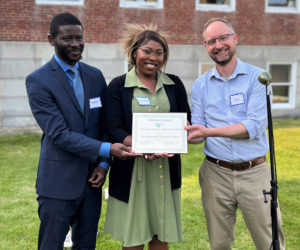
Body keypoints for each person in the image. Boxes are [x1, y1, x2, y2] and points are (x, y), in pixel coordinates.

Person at [25, 12, 134, 250]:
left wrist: (103, 164)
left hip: (91, 183)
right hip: (57, 185)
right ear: (52, 40)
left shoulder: (94, 76)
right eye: (67, 39)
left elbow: (104, 125)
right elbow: (59, 134)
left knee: (86, 246)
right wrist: (108, 149)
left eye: (79, 38)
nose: (75, 44)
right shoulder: (38, 81)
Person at [185, 18, 285, 250]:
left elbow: (252, 128)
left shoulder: (258, 78)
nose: (218, 45)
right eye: (211, 41)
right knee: (219, 244)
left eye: (223, 38)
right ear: (205, 47)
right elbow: (199, 131)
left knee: (270, 242)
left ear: (235, 38)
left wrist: (208, 131)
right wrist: (183, 134)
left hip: (255, 173)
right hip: (215, 173)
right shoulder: (201, 85)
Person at [103, 24, 191, 250]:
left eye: (159, 53)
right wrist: (143, 145)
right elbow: (113, 127)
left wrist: (182, 132)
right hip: (133, 170)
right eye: (147, 51)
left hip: (165, 168)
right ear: (135, 53)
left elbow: (185, 120)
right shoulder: (118, 86)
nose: (154, 57)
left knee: (161, 233)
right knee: (134, 234)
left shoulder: (174, 83)